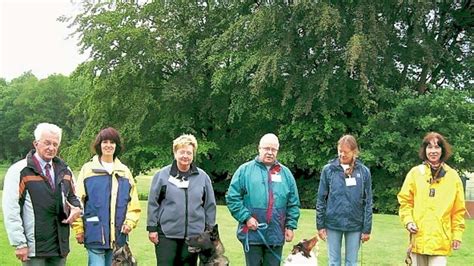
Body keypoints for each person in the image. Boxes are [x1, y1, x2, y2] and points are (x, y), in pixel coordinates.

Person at [2, 122, 82, 265]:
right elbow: (11, 209)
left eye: (55, 144)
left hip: (59, 246)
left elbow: (73, 197)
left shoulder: (65, 170)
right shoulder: (20, 171)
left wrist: (76, 209)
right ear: (36, 143)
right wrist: (19, 243)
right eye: (47, 143)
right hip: (34, 248)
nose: (51, 148)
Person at [226, 133, 300, 266]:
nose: (270, 152)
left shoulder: (286, 174)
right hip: (252, 233)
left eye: (273, 149)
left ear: (277, 151)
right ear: (259, 148)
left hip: (276, 234)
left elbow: (293, 203)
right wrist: (246, 218)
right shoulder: (244, 171)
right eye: (266, 148)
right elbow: (232, 198)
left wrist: (290, 226)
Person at [72, 127, 141, 266]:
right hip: (94, 233)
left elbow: (133, 203)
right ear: (99, 145)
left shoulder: (125, 172)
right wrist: (78, 228)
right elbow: (77, 201)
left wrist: (129, 222)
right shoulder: (88, 169)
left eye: (112, 142)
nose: (108, 145)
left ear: (117, 146)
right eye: (105, 142)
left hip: (119, 236)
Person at [147, 134, 217, 266]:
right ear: (175, 153)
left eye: (189, 153)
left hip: (194, 236)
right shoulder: (162, 176)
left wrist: (210, 230)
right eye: (182, 152)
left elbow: (209, 205)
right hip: (167, 233)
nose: (185, 156)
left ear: (193, 155)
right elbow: (153, 203)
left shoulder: (202, 177)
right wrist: (152, 228)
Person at [398, 132, 466, 266]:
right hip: (418, 240)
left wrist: (457, 235)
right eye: (429, 147)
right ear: (424, 150)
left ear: (442, 150)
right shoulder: (415, 173)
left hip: (440, 242)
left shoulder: (453, 177)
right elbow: (405, 201)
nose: (433, 151)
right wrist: (408, 221)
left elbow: (458, 210)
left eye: (437, 147)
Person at [316, 134, 373, 266]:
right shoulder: (328, 170)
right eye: (340, 151)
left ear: (354, 152)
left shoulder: (364, 172)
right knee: (334, 262)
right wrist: (320, 225)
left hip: (355, 224)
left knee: (352, 263)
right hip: (332, 223)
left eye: (346, 152)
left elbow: (368, 202)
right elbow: (321, 199)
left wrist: (367, 229)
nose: (342, 154)